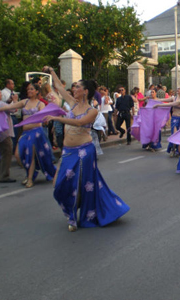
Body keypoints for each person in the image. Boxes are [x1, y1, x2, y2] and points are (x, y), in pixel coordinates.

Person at [42, 66, 130, 232]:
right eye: (74, 87)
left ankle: (74, 218)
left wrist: (56, 118)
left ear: (85, 91)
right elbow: (60, 87)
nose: (74, 89)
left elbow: (79, 123)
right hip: (68, 151)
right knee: (59, 184)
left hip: (85, 151)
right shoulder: (72, 103)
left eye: (77, 87)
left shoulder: (93, 110)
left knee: (81, 185)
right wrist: (52, 71)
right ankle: (71, 211)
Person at [0, 83, 56, 188]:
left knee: (31, 155)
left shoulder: (40, 104)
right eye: (28, 89)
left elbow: (44, 116)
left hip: (36, 132)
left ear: (36, 91)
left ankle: (30, 179)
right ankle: (30, 172)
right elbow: (10, 106)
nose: (29, 91)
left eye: (31, 89)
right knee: (18, 154)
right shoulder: (24, 102)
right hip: (25, 133)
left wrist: (46, 119)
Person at [1, 79, 20, 152]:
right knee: (10, 135)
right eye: (12, 84)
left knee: (15, 134)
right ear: (7, 85)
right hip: (9, 115)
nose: (13, 85)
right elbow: (4, 105)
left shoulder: (14, 93)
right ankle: (10, 150)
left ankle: (13, 149)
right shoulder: (3, 93)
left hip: (15, 115)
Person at [166, 86, 180, 157]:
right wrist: (156, 100)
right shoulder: (174, 98)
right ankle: (172, 149)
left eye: (179, 89)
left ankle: (178, 150)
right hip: (174, 117)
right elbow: (166, 100)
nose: (177, 90)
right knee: (174, 134)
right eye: (177, 88)